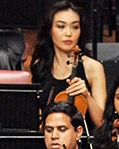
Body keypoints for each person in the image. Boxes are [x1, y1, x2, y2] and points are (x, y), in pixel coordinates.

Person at [29, 0, 107, 128]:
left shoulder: (93, 68)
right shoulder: (40, 65)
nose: (68, 33)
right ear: (50, 30)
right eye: (61, 26)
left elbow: (102, 123)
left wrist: (87, 95)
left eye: (75, 27)